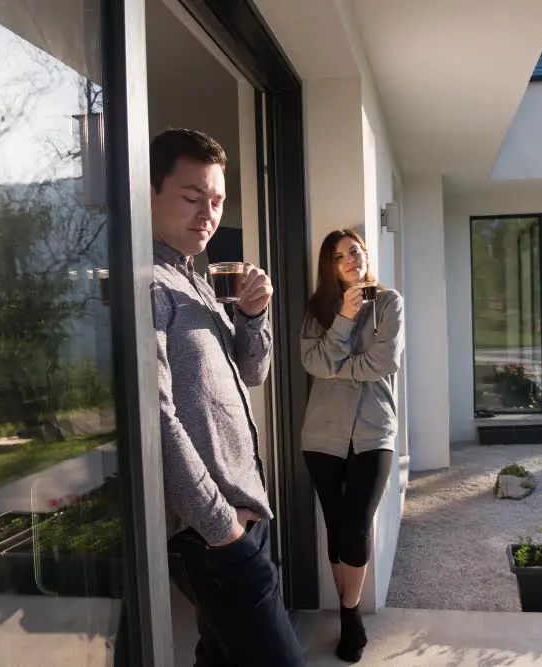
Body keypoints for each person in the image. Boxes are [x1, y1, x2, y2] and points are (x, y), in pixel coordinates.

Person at [150, 128, 303, 667]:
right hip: (216, 532)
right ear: (148, 192)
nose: (207, 213)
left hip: (242, 517)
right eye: (192, 198)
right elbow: (156, 417)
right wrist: (223, 528)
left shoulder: (193, 278)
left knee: (219, 656)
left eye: (216, 201)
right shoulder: (151, 286)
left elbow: (253, 372)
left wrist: (253, 315)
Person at [299, 229, 405, 663]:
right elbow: (313, 362)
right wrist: (343, 317)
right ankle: (349, 616)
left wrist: (338, 367)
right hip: (322, 434)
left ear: (365, 255)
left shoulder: (388, 301)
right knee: (336, 524)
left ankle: (349, 611)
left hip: (373, 431)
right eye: (339, 255)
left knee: (357, 523)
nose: (350, 259)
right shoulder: (318, 310)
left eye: (355, 251)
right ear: (331, 265)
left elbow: (385, 361)